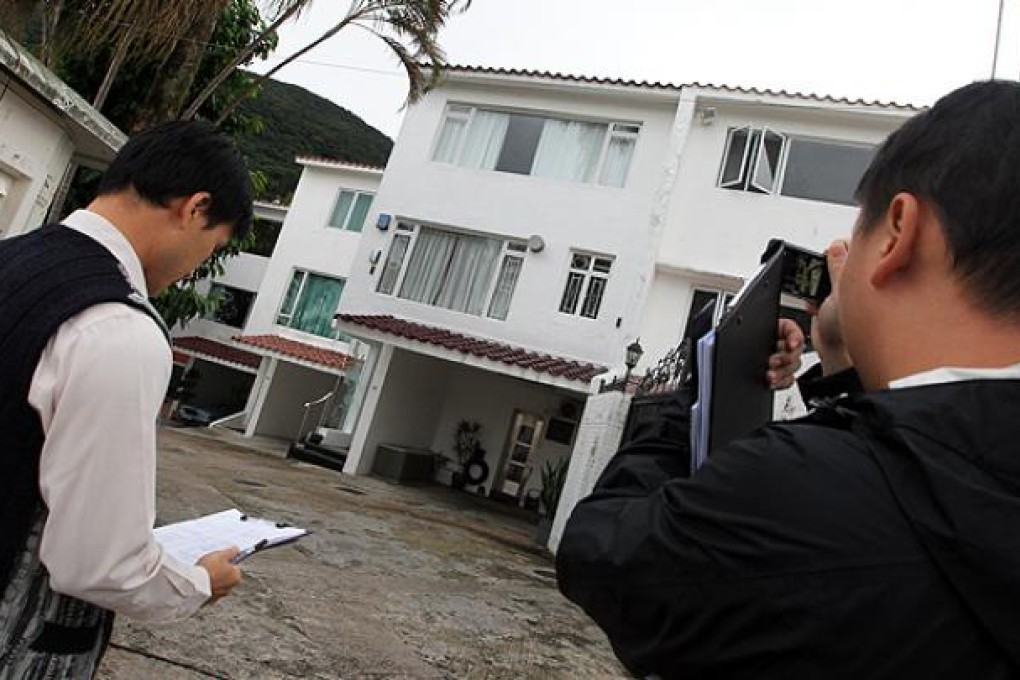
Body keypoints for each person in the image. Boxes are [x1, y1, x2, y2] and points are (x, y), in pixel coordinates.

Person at [557, 79, 1020, 679]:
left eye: (860, 232)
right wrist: (840, 361)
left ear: (899, 234)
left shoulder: (796, 496)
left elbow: (599, 553)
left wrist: (707, 379)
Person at [0, 121, 251, 677]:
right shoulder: (116, 328)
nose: (197, 266)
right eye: (212, 248)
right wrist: (199, 583)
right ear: (194, 208)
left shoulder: (9, 259)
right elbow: (98, 562)